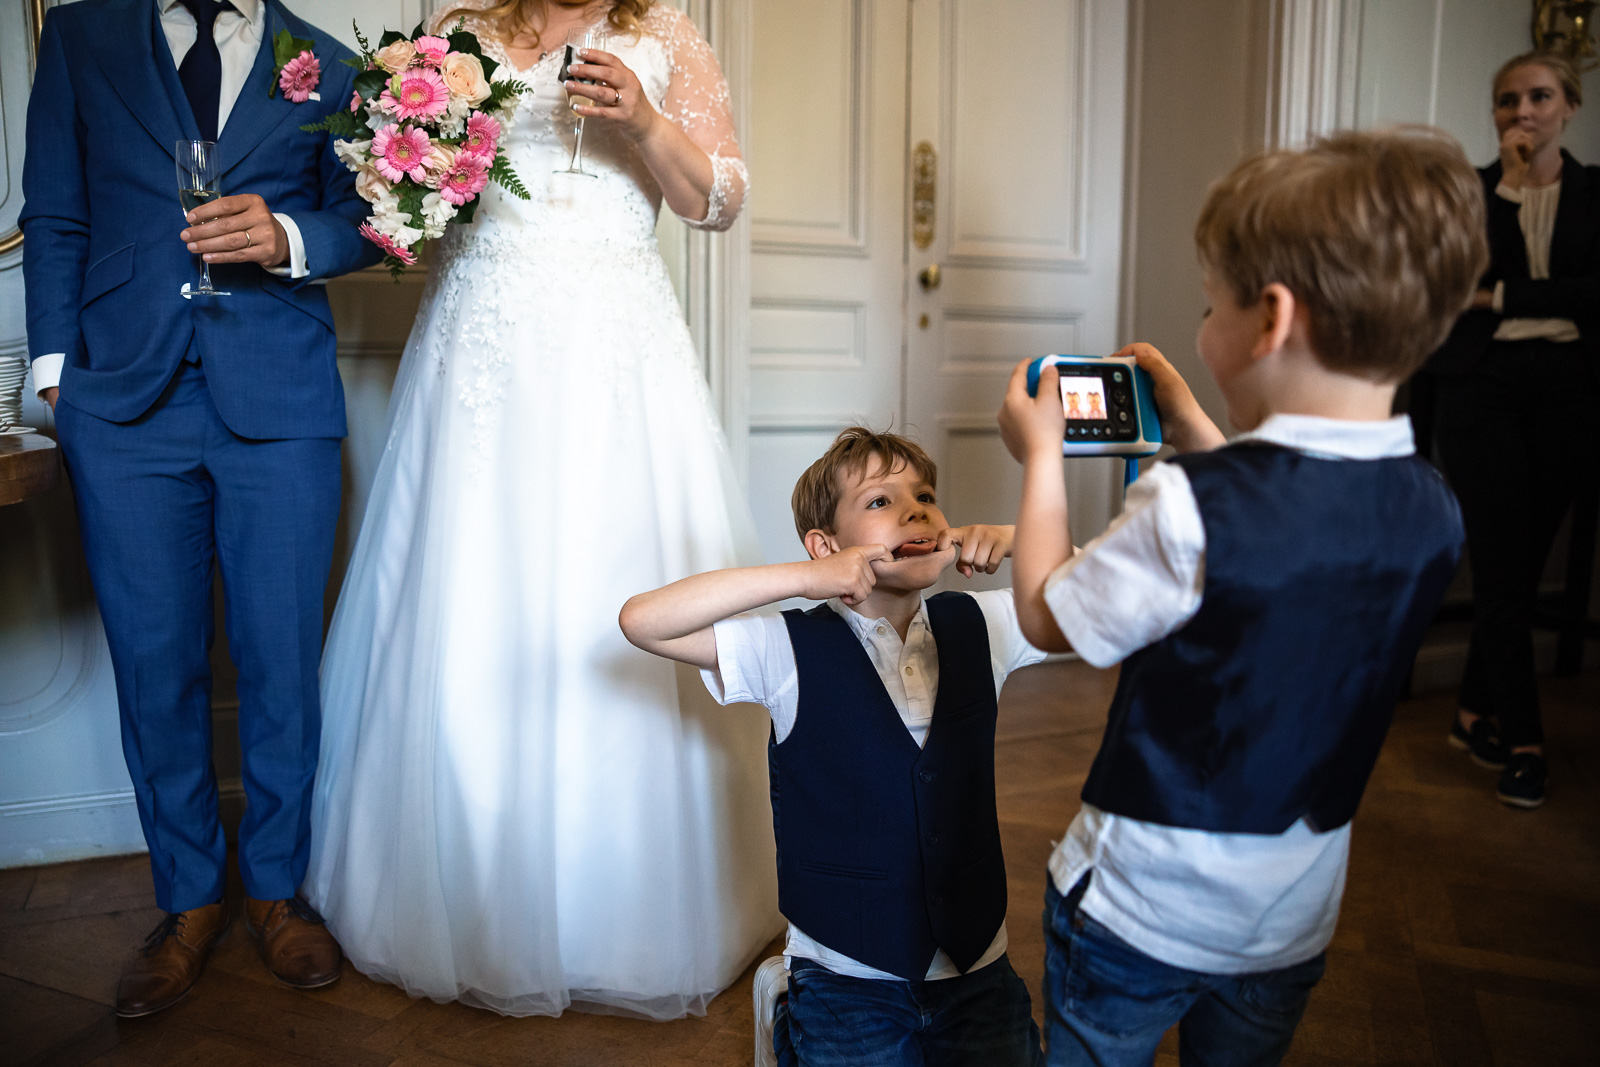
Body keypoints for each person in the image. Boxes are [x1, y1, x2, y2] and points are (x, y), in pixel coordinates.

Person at [303, 0, 778, 1018]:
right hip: (479, 348)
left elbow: (723, 200)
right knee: (472, 595)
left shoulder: (669, 32)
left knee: (612, 583)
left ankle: (627, 905)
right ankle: (465, 892)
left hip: (615, 348)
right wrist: (407, 172)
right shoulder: (457, 28)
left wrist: (647, 122)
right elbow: (413, 204)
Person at [997, 127, 1486, 1064]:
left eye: (1210, 302)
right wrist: (1187, 421)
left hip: (1141, 911)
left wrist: (1044, 456)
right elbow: (1288, 531)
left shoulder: (1187, 505)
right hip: (1290, 923)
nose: (1202, 322)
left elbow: (1048, 617)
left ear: (1271, 319)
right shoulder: (1432, 505)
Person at [20, 0, 379, 1018]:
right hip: (121, 400)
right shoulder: (82, 38)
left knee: (279, 660)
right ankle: (185, 899)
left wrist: (290, 236)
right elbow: (55, 211)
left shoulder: (326, 59)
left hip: (280, 399)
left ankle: (275, 890)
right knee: (153, 662)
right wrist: (56, 380)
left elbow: (372, 218)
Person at [621, 428, 1046, 1067]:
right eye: (880, 502)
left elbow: (1114, 592)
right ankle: (789, 1009)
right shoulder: (786, 649)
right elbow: (642, 621)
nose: (915, 510)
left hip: (976, 964)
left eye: (925, 496)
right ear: (826, 544)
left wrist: (1026, 544)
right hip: (846, 974)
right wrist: (805, 578)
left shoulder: (983, 623)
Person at [1421, 52, 1599, 809]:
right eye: (1506, 101)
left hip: (1571, 390)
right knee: (1500, 564)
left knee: (1518, 570)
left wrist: (1499, 294)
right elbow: (1448, 283)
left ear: (1571, 105)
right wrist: (1513, 188)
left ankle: (1469, 713)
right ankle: (1523, 740)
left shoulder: (1596, 192)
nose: (1522, 111)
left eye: (1539, 97)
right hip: (1481, 388)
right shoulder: (1471, 194)